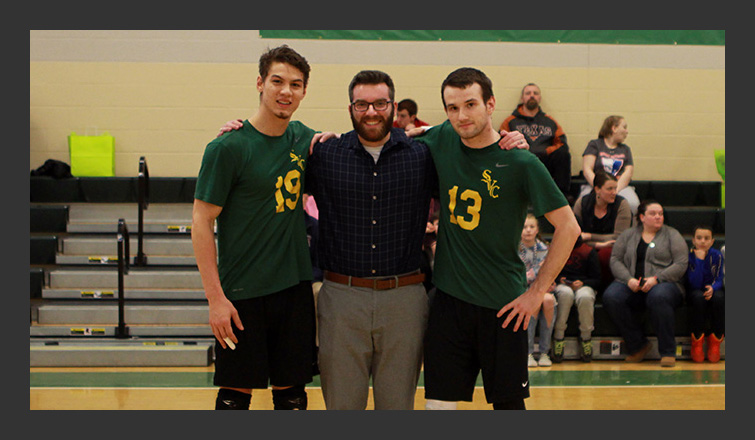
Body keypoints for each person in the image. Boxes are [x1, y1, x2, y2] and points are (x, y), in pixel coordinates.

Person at [218, 70, 528, 411]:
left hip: (404, 300)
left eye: (380, 103)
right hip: (342, 299)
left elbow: (470, 142)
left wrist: (508, 139)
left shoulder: (422, 154)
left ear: (393, 106)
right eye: (362, 104)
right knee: (343, 407)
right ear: (350, 108)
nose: (371, 112)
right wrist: (242, 133)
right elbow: (272, 152)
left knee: (396, 407)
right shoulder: (324, 153)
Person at [418, 67, 581, 410]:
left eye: (470, 104)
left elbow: (569, 227)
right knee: (438, 406)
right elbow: (395, 136)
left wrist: (537, 294)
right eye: (451, 107)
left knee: (508, 407)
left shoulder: (520, 161)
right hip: (449, 301)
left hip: (504, 307)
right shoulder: (441, 137)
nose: (461, 116)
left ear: (491, 104)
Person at [192, 45, 318, 410]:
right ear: (260, 83)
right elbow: (201, 222)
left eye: (295, 84)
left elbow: (348, 143)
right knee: (235, 396)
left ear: (304, 92)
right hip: (241, 293)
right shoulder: (228, 147)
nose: (286, 91)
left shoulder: (303, 138)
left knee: (293, 397)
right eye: (277, 81)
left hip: (293, 288)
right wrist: (215, 299)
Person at [602, 200, 688, 368]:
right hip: (633, 282)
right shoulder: (628, 235)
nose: (658, 217)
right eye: (653, 213)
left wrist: (657, 279)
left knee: (659, 296)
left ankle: (668, 352)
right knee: (611, 297)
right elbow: (616, 259)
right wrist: (628, 279)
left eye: (660, 214)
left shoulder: (672, 235)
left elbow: (681, 263)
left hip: (665, 283)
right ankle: (638, 345)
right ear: (642, 217)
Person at [499, 83, 572, 200]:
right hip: (521, 160)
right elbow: (502, 143)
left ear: (539, 98)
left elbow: (562, 143)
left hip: (545, 160)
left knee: (563, 154)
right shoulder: (510, 121)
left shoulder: (550, 121)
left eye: (535, 93)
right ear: (522, 98)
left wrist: (546, 151)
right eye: (528, 93)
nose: (532, 96)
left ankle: (561, 196)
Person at [572, 171, 633, 289]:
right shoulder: (582, 203)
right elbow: (576, 236)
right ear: (597, 189)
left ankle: (603, 288)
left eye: (615, 188)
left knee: (606, 254)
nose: (614, 192)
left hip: (613, 247)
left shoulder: (622, 204)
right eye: (609, 189)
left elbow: (618, 237)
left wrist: (589, 236)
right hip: (587, 246)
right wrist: (598, 244)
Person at [551, 235, 602, 363]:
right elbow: (550, 273)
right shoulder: (557, 249)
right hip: (563, 286)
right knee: (565, 294)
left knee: (585, 297)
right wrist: (559, 279)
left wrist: (583, 282)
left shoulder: (588, 251)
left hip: (584, 285)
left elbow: (597, 279)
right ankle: (558, 337)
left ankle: (586, 338)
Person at [579, 115, 640, 215]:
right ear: (614, 128)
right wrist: (600, 188)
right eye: (624, 127)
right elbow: (587, 169)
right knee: (582, 203)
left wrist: (613, 190)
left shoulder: (625, 149)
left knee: (633, 204)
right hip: (594, 186)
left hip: (620, 186)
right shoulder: (594, 145)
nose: (626, 131)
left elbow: (628, 173)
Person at [518, 213, 557, 367]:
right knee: (533, 300)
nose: (528, 230)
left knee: (548, 300)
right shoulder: (514, 247)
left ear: (537, 230)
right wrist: (535, 272)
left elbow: (548, 274)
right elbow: (519, 277)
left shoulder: (543, 248)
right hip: (521, 289)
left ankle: (544, 352)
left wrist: (548, 281)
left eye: (531, 227)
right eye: (524, 227)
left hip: (540, 288)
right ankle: (527, 352)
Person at [685, 225, 725, 363]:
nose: (703, 241)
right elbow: (694, 283)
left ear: (712, 241)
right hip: (695, 290)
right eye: (699, 238)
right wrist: (700, 260)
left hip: (712, 289)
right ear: (693, 240)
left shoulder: (717, 255)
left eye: (707, 238)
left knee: (720, 298)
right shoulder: (689, 256)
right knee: (698, 299)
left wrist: (713, 288)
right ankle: (697, 342)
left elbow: (720, 277)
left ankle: (715, 341)